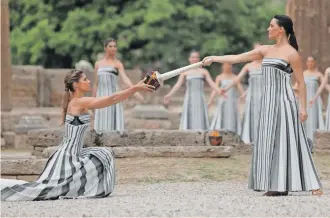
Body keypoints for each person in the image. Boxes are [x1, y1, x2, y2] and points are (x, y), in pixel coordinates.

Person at [202, 15, 323, 196]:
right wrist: (214, 58)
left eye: (271, 26)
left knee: (291, 140)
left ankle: (311, 185)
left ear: (281, 29)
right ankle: (275, 184)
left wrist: (303, 108)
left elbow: (301, 83)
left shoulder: (291, 54)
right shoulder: (265, 50)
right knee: (268, 141)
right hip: (267, 103)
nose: (268, 29)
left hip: (284, 102)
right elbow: (236, 58)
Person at [1, 70, 154, 201]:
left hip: (74, 153)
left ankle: (86, 189)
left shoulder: (79, 103)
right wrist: (134, 88)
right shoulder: (77, 103)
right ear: (76, 85)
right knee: (40, 191)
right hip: (68, 156)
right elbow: (110, 99)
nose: (89, 81)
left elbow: (108, 100)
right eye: (85, 79)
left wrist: (139, 85)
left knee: (104, 153)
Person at [93, 38, 144, 133]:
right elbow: (96, 83)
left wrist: (135, 90)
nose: (113, 48)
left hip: (114, 95)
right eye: (110, 46)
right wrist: (93, 100)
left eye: (115, 46)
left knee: (112, 120)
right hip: (101, 94)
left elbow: (125, 78)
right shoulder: (98, 64)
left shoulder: (118, 64)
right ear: (105, 48)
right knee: (102, 119)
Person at [163, 50, 224, 130]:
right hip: (189, 98)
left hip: (200, 98)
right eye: (193, 57)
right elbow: (178, 85)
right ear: (189, 59)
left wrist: (219, 91)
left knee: (200, 116)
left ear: (199, 59)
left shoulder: (204, 71)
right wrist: (169, 95)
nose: (194, 59)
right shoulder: (185, 72)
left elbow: (212, 83)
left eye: (196, 57)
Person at [219, 43, 263, 143]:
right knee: (252, 115)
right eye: (255, 50)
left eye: (260, 49)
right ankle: (252, 138)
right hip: (252, 96)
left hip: (264, 95)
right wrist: (226, 89)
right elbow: (236, 80)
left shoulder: (267, 64)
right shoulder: (248, 66)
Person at [208, 63, 244, 134]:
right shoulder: (219, 77)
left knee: (232, 115)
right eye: (226, 65)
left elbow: (240, 87)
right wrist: (210, 101)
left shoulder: (235, 77)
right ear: (223, 66)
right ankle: (220, 132)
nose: (228, 66)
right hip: (223, 101)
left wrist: (243, 95)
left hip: (232, 101)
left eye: (229, 65)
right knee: (221, 115)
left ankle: (233, 132)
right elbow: (215, 89)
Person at [299, 56, 325, 144]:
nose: (310, 63)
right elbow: (297, 86)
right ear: (306, 63)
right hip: (304, 100)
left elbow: (324, 85)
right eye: (308, 61)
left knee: (313, 119)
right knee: (303, 120)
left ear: (315, 62)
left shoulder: (319, 75)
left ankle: (313, 142)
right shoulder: (303, 73)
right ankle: (303, 141)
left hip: (313, 101)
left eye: (312, 61)